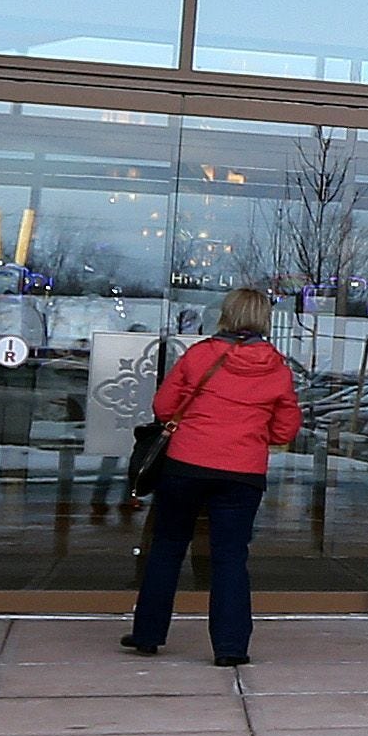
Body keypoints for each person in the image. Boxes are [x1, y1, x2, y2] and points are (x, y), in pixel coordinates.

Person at [123, 284, 301, 667]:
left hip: (186, 465)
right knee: (230, 557)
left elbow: (163, 406)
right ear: (263, 320)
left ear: (225, 314)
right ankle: (230, 647)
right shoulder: (277, 368)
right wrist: (249, 434)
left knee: (168, 547)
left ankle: (148, 635)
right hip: (242, 473)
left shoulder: (199, 355)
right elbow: (285, 431)